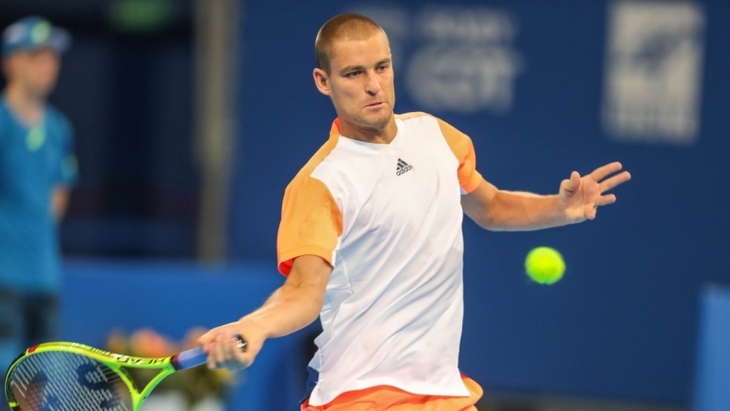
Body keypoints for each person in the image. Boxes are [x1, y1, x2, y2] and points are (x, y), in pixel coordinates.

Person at [199, 13, 631, 411]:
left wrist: (558, 207)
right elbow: (302, 292)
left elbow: (492, 206)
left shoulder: (436, 136)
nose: (374, 85)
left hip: (442, 392)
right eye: (354, 73)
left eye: (382, 67)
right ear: (323, 81)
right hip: (361, 395)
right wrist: (255, 326)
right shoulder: (320, 183)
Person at [0, 16, 77, 387]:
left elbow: (57, 198)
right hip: (3, 280)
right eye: (36, 56)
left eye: (52, 58)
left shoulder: (59, 129)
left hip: (44, 279)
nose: (48, 66)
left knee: (37, 386)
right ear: (11, 62)